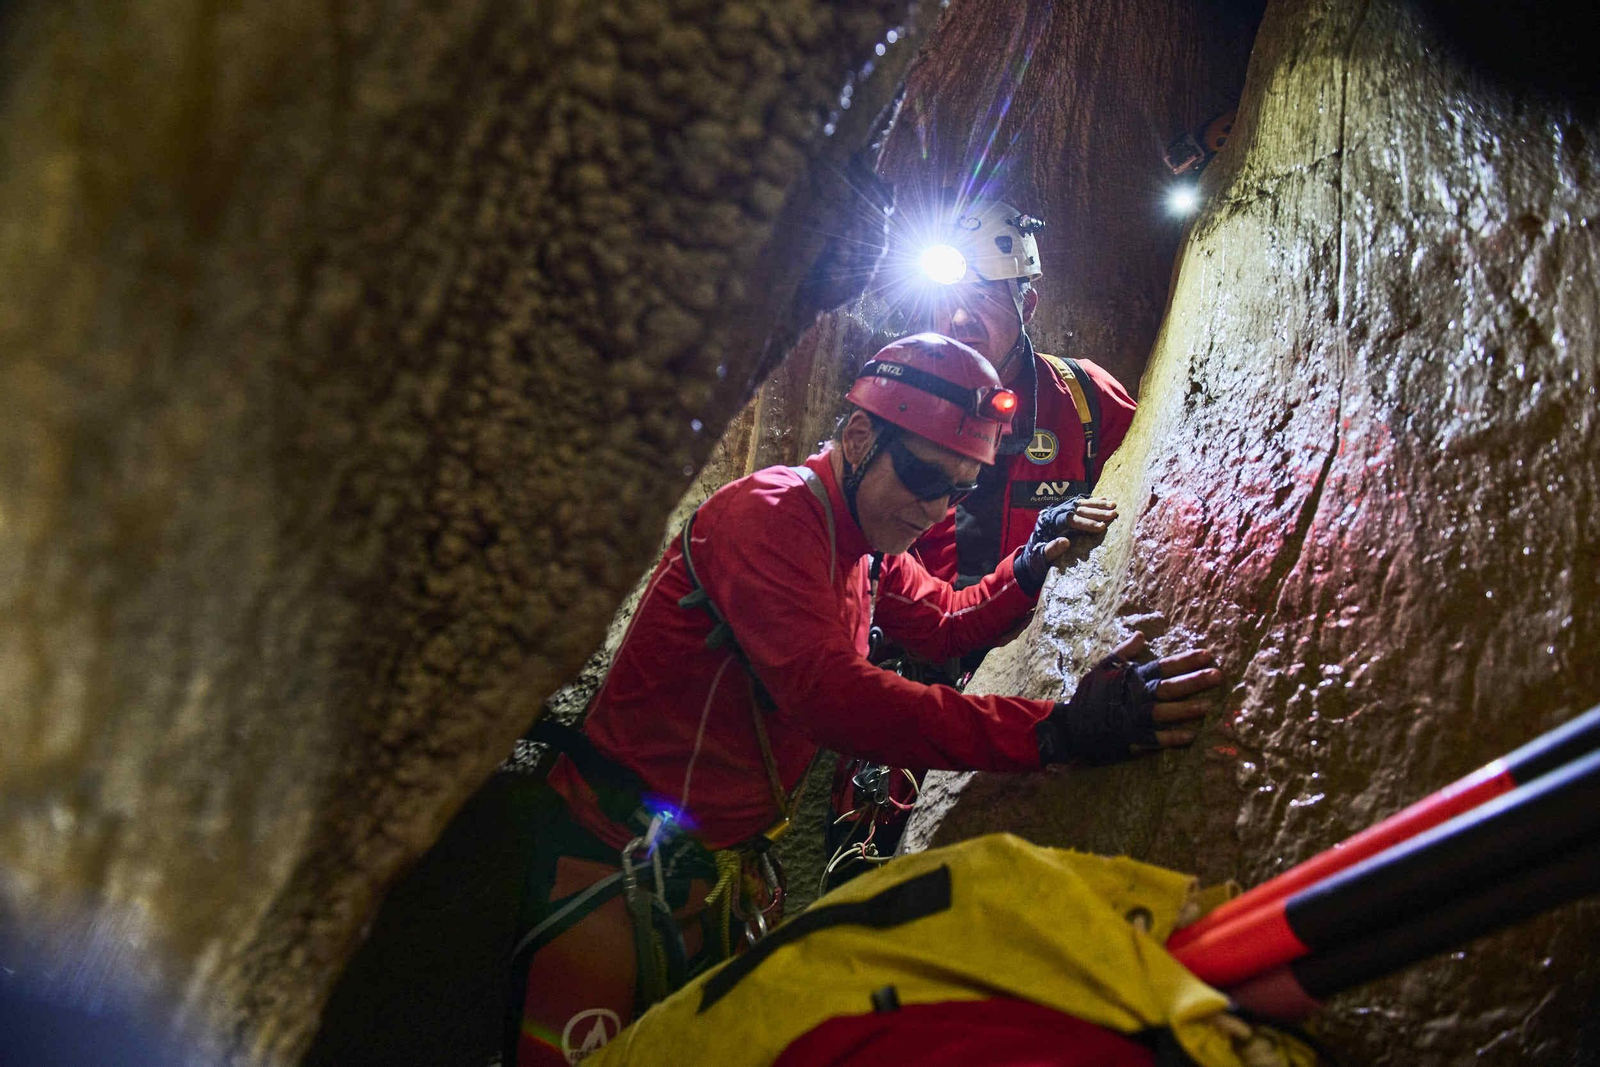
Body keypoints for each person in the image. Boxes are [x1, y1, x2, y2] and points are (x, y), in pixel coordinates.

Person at [507, 333, 1222, 1067]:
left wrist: (1030, 563)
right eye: (923, 475)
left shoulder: (865, 544)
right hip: (611, 862)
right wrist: (1059, 730)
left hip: (716, 875)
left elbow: (944, 619)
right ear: (859, 434)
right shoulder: (771, 516)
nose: (936, 507)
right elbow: (836, 699)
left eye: (962, 486)